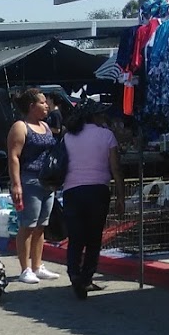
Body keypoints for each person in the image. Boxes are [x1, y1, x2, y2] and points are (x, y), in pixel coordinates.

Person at [59, 103, 122, 299]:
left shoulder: (68, 136)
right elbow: (116, 168)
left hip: (72, 191)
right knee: (94, 238)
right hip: (98, 191)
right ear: (95, 117)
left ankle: (74, 274)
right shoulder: (107, 135)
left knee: (76, 237)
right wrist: (121, 196)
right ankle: (86, 277)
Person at [5, 88, 62, 284]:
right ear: (31, 106)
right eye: (42, 102)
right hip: (29, 180)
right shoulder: (20, 127)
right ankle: (25, 268)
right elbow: (14, 157)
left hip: (47, 181)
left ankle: (37, 266)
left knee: (41, 226)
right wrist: (16, 185)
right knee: (27, 226)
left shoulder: (45, 126)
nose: (47, 106)